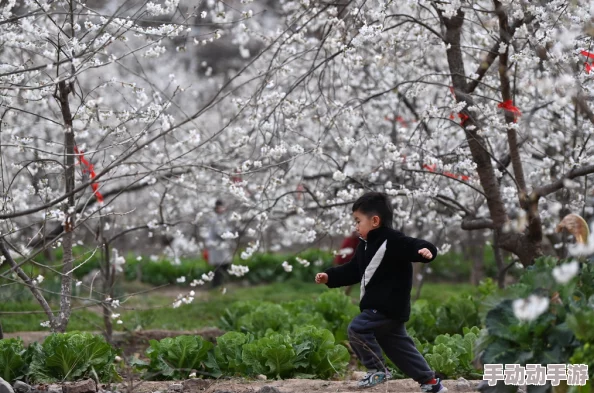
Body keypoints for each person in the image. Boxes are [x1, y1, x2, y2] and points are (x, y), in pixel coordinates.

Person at [315, 192, 445, 392]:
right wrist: (330, 277)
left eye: (358, 221)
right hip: (384, 310)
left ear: (375, 220)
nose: (355, 226)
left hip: (386, 306)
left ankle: (377, 370)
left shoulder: (392, 240)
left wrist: (427, 251)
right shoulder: (364, 247)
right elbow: (352, 270)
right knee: (400, 349)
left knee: (357, 329)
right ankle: (430, 383)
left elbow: (413, 245)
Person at [206, 199, 233, 288]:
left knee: (223, 265)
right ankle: (216, 285)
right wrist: (229, 234)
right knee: (219, 266)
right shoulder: (216, 219)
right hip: (217, 246)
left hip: (221, 246)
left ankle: (218, 284)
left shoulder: (222, 218)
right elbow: (220, 233)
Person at [333, 231, 360, 296]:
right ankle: (342, 295)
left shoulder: (354, 240)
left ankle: (343, 295)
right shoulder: (352, 240)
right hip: (346, 260)